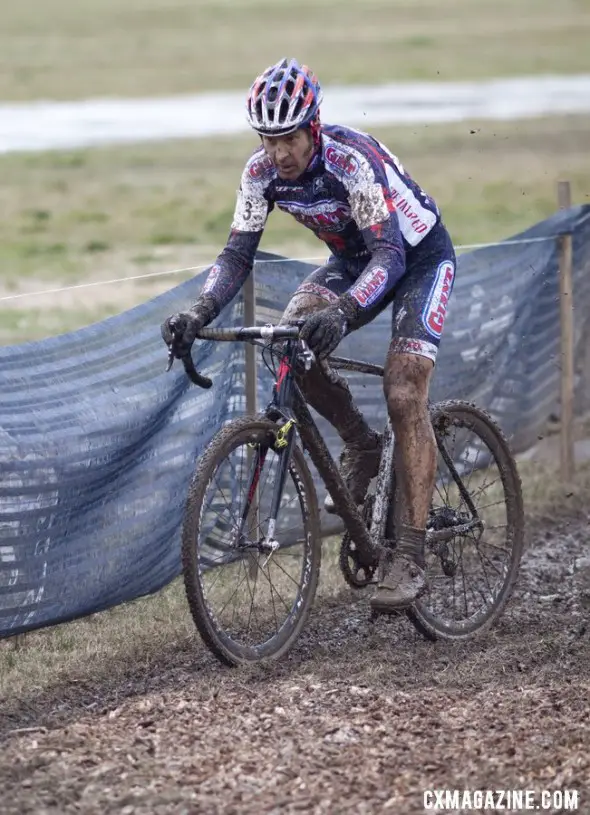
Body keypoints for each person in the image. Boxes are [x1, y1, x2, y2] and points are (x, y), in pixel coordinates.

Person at [161, 58, 456, 612]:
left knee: (403, 391)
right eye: (268, 139)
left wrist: (342, 313)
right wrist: (198, 311)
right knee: (289, 341)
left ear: (313, 127)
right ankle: (362, 444)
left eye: (290, 138)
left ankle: (411, 554)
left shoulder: (350, 160)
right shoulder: (259, 175)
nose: (279, 153)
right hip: (352, 261)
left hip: (416, 261)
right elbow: (236, 254)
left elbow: (391, 255)